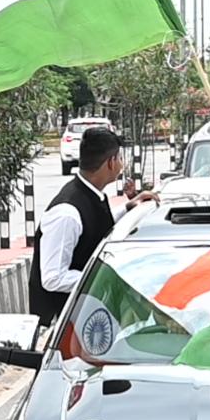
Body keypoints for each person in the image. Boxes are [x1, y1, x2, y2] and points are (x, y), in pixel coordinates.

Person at [29, 127, 159, 326]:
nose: (122, 164)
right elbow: (53, 278)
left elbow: (94, 225)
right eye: (120, 158)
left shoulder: (91, 195)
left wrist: (129, 207)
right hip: (63, 325)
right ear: (111, 162)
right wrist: (105, 277)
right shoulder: (66, 213)